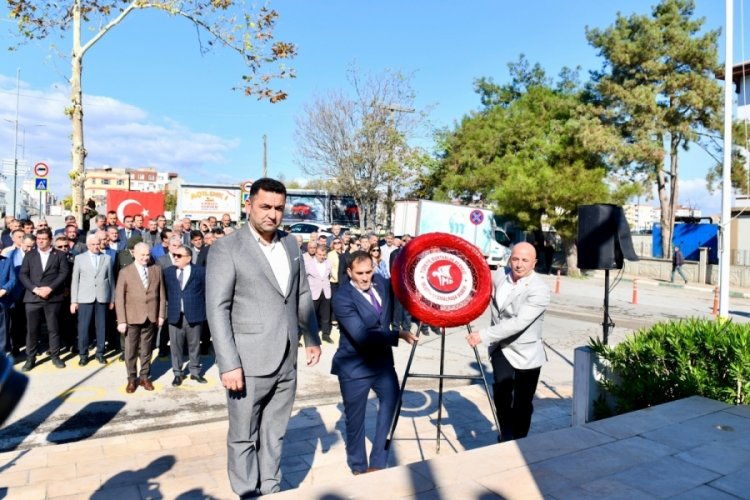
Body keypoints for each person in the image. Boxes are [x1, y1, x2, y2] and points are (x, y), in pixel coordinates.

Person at [206, 177, 321, 497]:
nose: (272, 214)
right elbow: (218, 309)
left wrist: (312, 337)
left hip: (287, 358)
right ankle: (246, 491)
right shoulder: (226, 248)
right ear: (249, 206)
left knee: (276, 432)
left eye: (279, 208)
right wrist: (228, 363)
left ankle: (271, 488)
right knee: (244, 434)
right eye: (265, 207)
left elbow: (300, 294)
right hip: (247, 361)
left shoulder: (290, 244)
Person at [331, 250, 417, 475]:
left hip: (382, 364)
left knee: (392, 404)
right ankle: (358, 467)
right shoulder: (342, 298)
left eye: (369, 271)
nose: (366, 277)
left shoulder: (380, 282)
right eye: (360, 273)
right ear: (349, 272)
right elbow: (361, 335)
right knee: (355, 422)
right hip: (354, 366)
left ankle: (378, 462)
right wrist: (397, 334)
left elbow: (406, 284)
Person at [467, 242, 550, 442]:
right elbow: (475, 281)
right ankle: (506, 435)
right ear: (509, 259)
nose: (519, 264)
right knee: (502, 394)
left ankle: (520, 440)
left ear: (534, 263)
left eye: (525, 260)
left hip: (526, 353)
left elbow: (519, 322)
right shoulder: (499, 276)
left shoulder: (540, 289)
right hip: (501, 347)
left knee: (522, 402)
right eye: (515, 259)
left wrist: (483, 335)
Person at [115, 242, 166, 393]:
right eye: (142, 255)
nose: (145, 258)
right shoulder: (125, 272)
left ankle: (144, 376)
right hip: (131, 317)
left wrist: (161, 314)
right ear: (134, 255)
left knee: (146, 349)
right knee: (130, 350)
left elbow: (162, 295)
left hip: (150, 317)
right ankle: (131, 378)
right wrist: (122, 320)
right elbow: (119, 298)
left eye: (147, 254)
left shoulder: (156, 270)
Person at [19, 228, 71, 371]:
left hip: (53, 297)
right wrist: (35, 289)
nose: (40, 241)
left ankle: (55, 356)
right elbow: (23, 275)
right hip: (33, 297)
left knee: (53, 328)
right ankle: (30, 358)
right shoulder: (30, 255)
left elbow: (64, 273)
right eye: (38, 238)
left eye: (43, 238)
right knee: (32, 330)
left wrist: (50, 288)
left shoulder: (59, 255)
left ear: (50, 240)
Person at [163, 245, 207, 386]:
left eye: (179, 256)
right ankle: (177, 373)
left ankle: (195, 372)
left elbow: (206, 292)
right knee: (175, 346)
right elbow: (164, 292)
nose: (175, 257)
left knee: (194, 345)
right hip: (175, 314)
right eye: (174, 255)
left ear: (188, 258)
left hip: (194, 314)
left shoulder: (200, 271)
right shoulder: (168, 272)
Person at [70, 234, 114, 366]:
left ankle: (100, 353)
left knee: (101, 327)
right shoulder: (79, 258)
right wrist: (74, 301)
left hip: (102, 297)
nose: (95, 247)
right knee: (83, 328)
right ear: (88, 245)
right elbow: (75, 281)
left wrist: (112, 299)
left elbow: (111, 280)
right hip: (84, 298)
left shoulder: (107, 258)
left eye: (97, 244)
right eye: (93, 244)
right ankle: (83, 354)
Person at [305, 243, 333, 344]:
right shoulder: (308, 264)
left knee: (326, 315)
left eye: (324, 255)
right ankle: (312, 336)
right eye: (320, 255)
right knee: (313, 316)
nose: (322, 257)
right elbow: (304, 278)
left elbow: (329, 276)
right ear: (315, 254)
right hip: (313, 292)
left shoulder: (328, 263)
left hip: (326, 292)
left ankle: (325, 335)